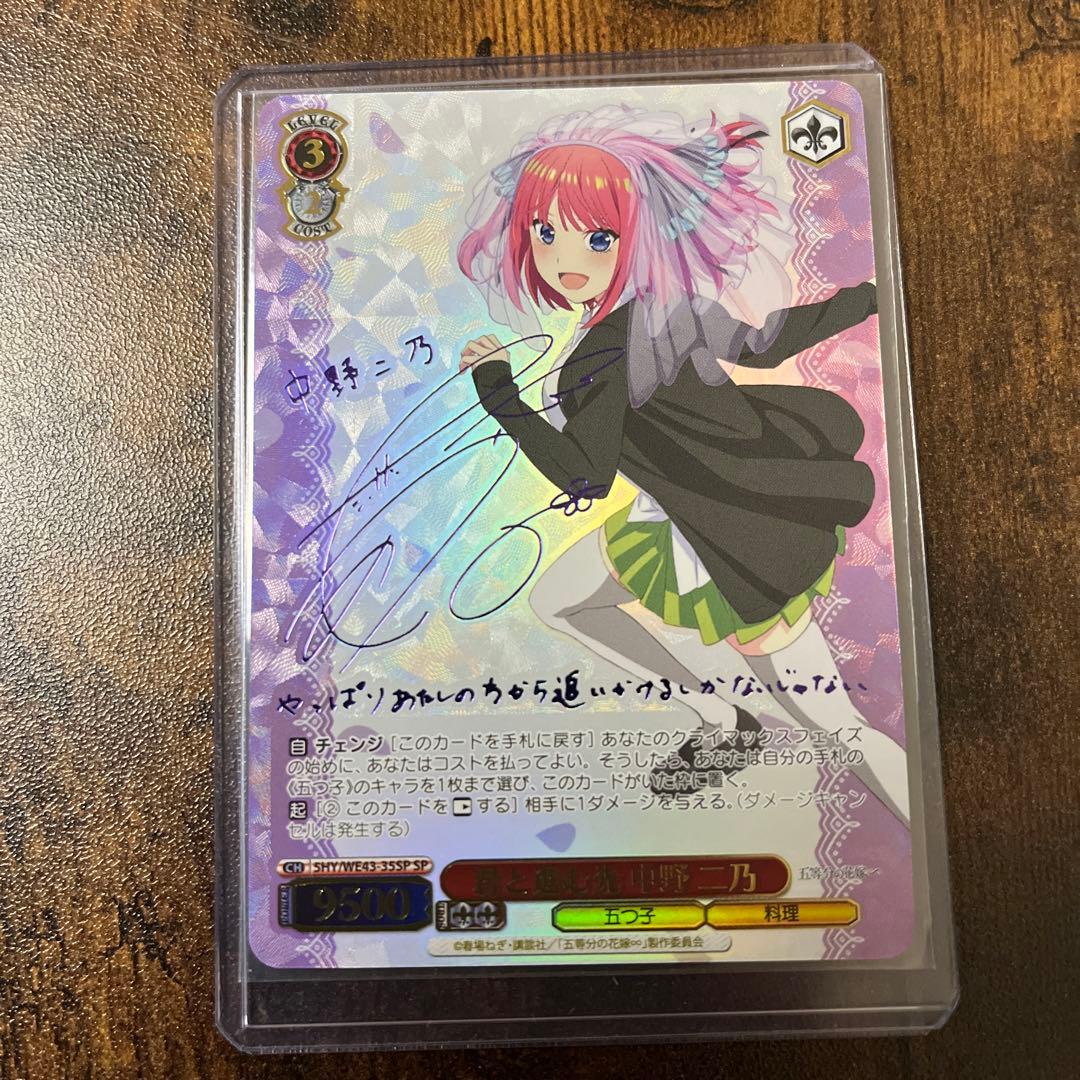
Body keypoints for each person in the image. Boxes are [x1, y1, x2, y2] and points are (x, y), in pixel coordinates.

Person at [456, 104, 909, 825]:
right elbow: (766, 343)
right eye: (546, 233)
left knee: (839, 728)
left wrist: (499, 395)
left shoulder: (609, 350)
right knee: (560, 600)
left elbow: (583, 475)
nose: (567, 259)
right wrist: (867, 297)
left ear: (636, 237)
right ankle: (724, 717)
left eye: (598, 238)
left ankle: (917, 822)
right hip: (688, 512)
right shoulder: (669, 308)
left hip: (734, 539)